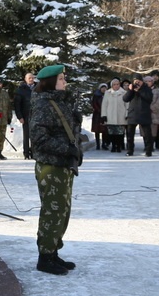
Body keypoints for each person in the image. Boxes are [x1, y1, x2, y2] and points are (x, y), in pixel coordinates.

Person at [29, 64, 81, 276]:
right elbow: (39, 139)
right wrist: (67, 149)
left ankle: (52, 252)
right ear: (50, 82)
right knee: (52, 210)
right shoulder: (43, 105)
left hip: (62, 164)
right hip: (51, 165)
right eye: (61, 79)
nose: (64, 82)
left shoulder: (57, 102)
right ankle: (45, 257)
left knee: (62, 210)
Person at [124, 75, 154, 156]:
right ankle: (130, 150)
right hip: (133, 113)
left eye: (139, 81)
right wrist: (130, 90)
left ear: (142, 81)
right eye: (135, 81)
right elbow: (125, 99)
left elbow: (149, 98)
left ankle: (148, 151)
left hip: (144, 113)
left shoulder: (146, 88)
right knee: (130, 134)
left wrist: (139, 91)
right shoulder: (131, 89)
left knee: (147, 134)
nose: (137, 83)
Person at [101, 78, 129, 153]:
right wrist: (104, 115)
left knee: (120, 133)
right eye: (114, 84)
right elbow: (104, 105)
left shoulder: (124, 92)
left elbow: (127, 105)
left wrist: (127, 114)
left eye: (117, 84)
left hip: (121, 115)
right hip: (110, 115)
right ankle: (113, 146)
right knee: (112, 132)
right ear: (111, 85)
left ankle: (119, 146)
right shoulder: (107, 93)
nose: (116, 86)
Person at [14, 72, 36, 159]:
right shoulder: (21, 90)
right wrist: (20, 116)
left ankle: (35, 152)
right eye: (29, 78)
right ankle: (26, 153)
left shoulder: (38, 88)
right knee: (26, 135)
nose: (31, 79)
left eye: (32, 78)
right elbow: (17, 104)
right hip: (26, 115)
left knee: (35, 135)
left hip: (37, 115)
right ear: (25, 79)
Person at [90, 83, 108, 150]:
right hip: (97, 114)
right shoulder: (96, 95)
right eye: (102, 88)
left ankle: (104, 144)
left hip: (105, 114)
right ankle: (98, 144)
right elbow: (94, 104)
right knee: (97, 130)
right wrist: (99, 110)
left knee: (104, 130)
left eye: (105, 88)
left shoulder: (108, 95)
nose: (104, 89)